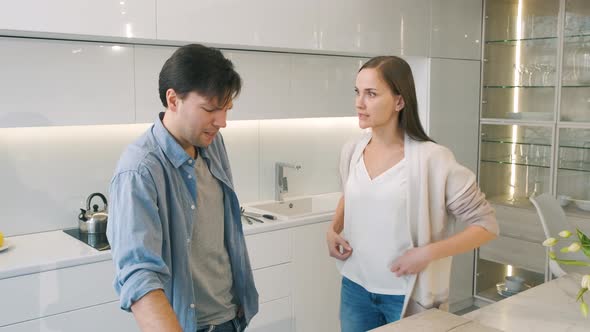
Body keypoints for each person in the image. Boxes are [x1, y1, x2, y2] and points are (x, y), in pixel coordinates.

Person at [326, 56, 499, 332]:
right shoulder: (352, 151)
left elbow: (487, 226)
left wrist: (426, 253)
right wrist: (333, 228)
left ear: (399, 101)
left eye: (371, 94)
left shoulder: (433, 159)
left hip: (405, 295)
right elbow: (350, 194)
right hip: (355, 289)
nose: (359, 103)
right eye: (357, 92)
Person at [107, 44, 258, 332]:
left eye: (226, 109)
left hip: (230, 317)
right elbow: (140, 277)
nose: (222, 122)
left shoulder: (211, 144)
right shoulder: (139, 170)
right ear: (173, 99)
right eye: (211, 109)